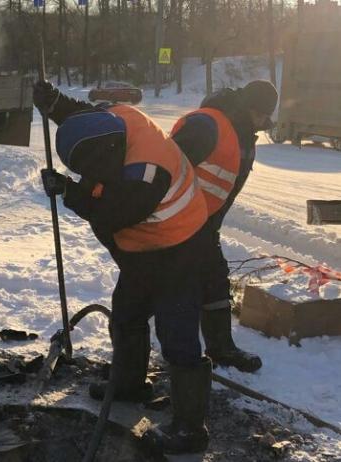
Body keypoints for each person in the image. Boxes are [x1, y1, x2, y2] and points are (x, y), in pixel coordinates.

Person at [34, 81, 212, 455]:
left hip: (179, 244)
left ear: (109, 154)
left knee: (176, 330)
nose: (90, 175)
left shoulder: (146, 173)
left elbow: (111, 213)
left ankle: (190, 429)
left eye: (92, 170)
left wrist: (69, 191)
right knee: (127, 313)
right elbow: (82, 118)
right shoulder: (116, 120)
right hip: (144, 248)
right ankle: (130, 384)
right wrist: (53, 104)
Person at [171, 80, 278, 373]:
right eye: (262, 116)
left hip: (205, 224)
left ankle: (221, 348)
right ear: (251, 109)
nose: (262, 124)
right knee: (170, 286)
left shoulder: (243, 131)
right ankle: (165, 359)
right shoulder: (209, 126)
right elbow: (167, 169)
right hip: (177, 222)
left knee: (215, 280)